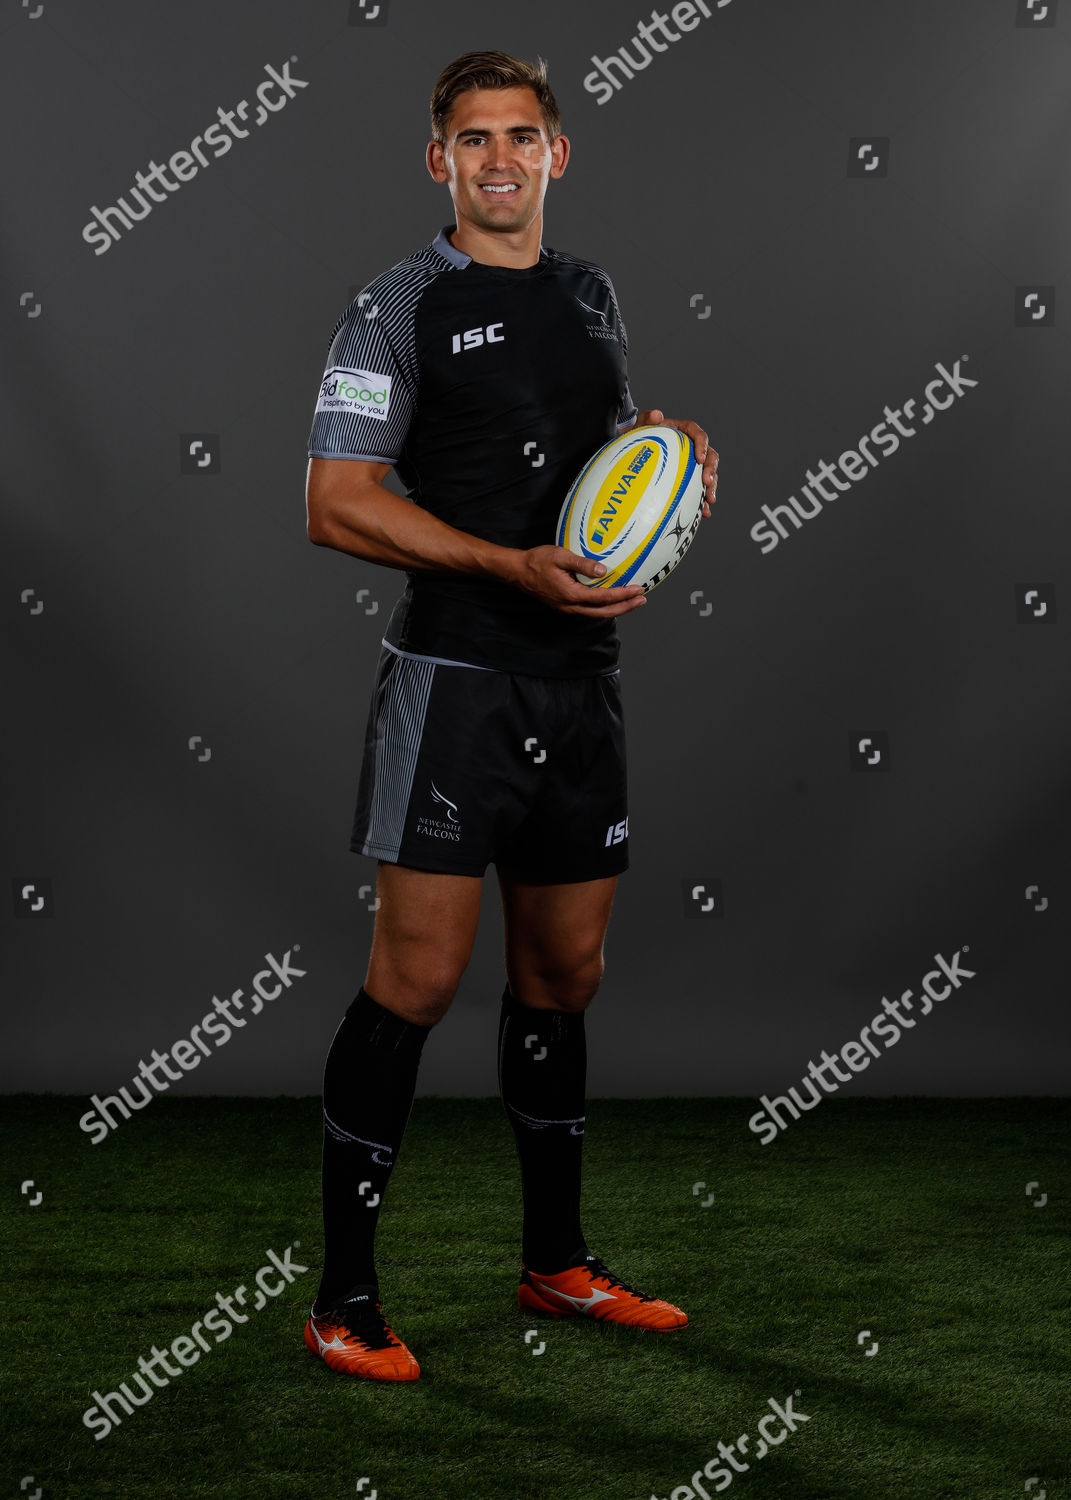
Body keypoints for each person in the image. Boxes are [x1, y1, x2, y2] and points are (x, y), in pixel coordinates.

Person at [302, 49, 719, 1382]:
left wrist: (665, 470)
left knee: (565, 977)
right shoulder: (396, 306)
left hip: (580, 689)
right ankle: (344, 1299)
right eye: (473, 139)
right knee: (416, 983)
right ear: (440, 161)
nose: (499, 160)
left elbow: (589, 462)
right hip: (456, 687)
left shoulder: (591, 294)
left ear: (557, 152)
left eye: (521, 136)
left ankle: (558, 1266)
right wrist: (505, 567)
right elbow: (336, 501)